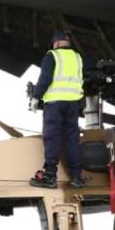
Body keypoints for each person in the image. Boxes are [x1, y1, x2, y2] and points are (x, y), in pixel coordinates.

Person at [29, 30, 87, 189]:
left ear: (57, 43)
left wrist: (36, 97)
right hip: (73, 104)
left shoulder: (52, 56)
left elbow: (45, 78)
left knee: (52, 137)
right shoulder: (77, 58)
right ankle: (76, 177)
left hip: (55, 104)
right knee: (71, 140)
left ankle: (49, 176)